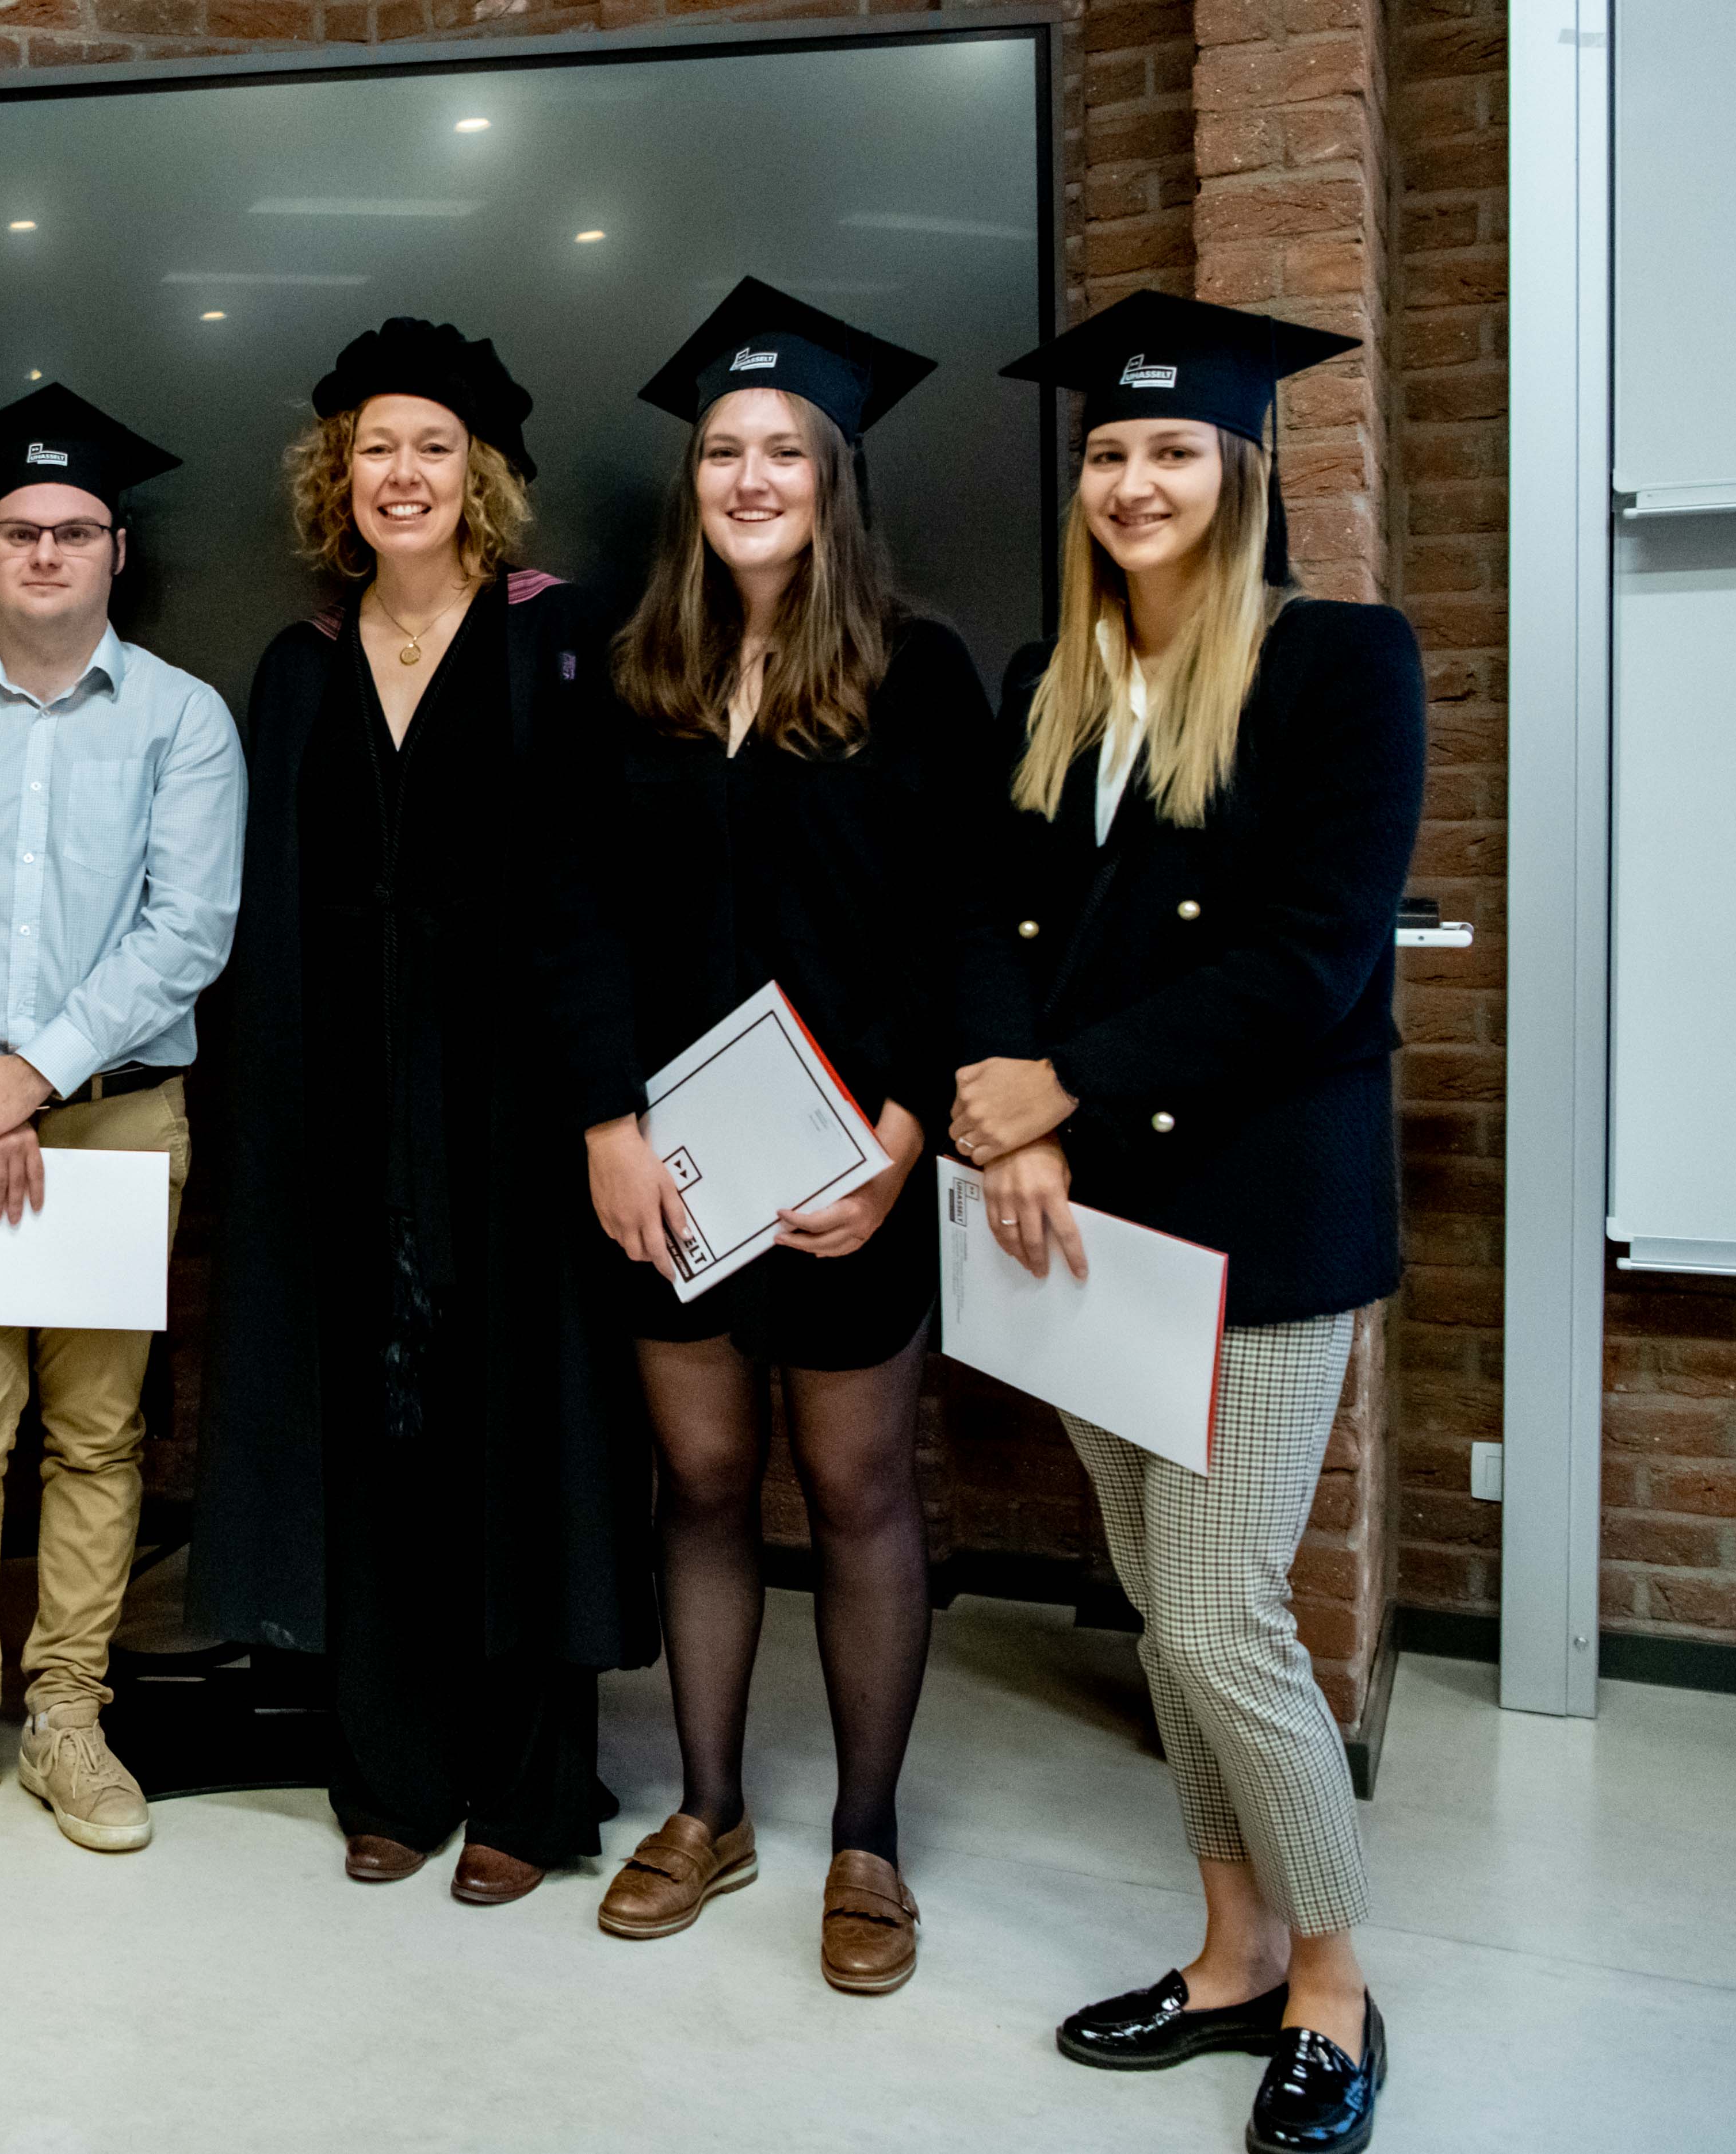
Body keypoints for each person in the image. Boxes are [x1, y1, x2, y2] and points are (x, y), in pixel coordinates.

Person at [964, 292, 1420, 2154]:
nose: (1132, 479)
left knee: (1225, 1618)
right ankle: (1229, 1948)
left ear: (1241, 467)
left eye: (1169, 448)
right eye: (1105, 450)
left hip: (1259, 1215)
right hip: (1084, 1220)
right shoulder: (1052, 677)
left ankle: (1333, 1984)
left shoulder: (1340, 662)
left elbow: (1310, 960)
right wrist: (1005, 1110)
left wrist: (1055, 1089)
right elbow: (995, 920)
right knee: (1161, 1614)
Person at [187, 318, 653, 1904]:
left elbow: (594, 888)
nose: (402, 474)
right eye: (375, 448)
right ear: (338, 475)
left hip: (517, 1112)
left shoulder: (554, 637)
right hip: (343, 1110)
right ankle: (390, 1765)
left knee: (522, 1432)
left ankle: (531, 1786)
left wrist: (605, 1104)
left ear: (481, 477)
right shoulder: (298, 665)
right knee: (372, 1432)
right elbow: (265, 915)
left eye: (432, 449)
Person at [567, 281, 989, 1993]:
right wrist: (604, 1118)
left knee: (857, 1486)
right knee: (701, 1480)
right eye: (723, 451)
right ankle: (712, 1808)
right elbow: (579, 914)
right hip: (671, 1165)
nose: (748, 478)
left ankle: (867, 1839)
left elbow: (963, 921)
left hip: (845, 1162)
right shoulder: (637, 675)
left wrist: (901, 1132)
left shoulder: (916, 668)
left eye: (783, 452)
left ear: (834, 477)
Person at [0, 384, 248, 1858]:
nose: (45, 552)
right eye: (19, 530)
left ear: (116, 551)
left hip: (116, 1121)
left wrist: (29, 1074)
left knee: (96, 1439)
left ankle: (69, 1715)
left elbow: (187, 928)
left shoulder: (182, 719)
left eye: (73, 531)